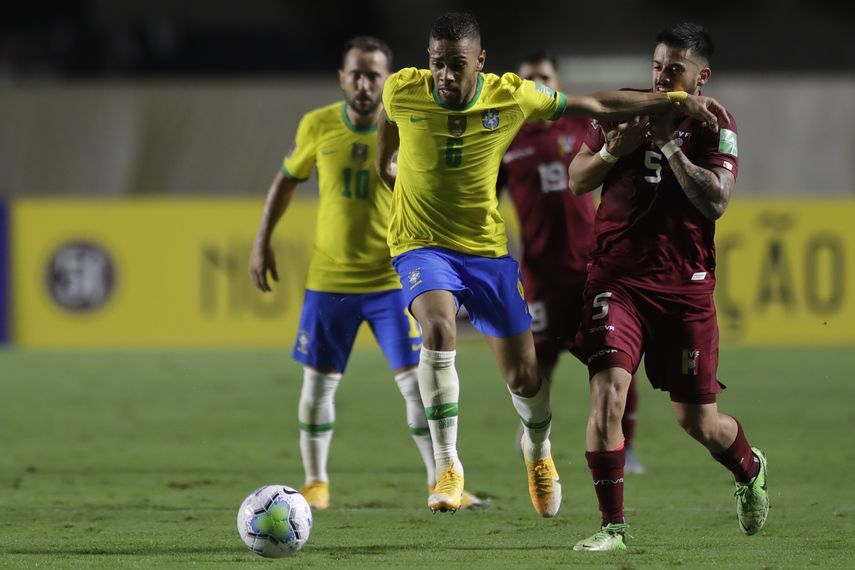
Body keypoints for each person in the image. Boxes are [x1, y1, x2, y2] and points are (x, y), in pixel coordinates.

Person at [375, 11, 726, 516]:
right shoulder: (403, 90)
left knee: (525, 378)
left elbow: (596, 103)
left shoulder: (511, 94)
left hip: (487, 253)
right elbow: (387, 139)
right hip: (419, 246)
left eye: (456, 65)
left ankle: (537, 450)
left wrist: (674, 99)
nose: (445, 77)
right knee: (438, 331)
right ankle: (448, 466)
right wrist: (389, 169)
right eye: (436, 65)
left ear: (481, 61)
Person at [249, 35, 483, 511]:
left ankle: (441, 481)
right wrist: (261, 243)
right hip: (329, 283)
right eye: (355, 73)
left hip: (391, 282)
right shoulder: (317, 125)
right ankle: (316, 484)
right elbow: (285, 181)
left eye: (373, 74)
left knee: (417, 388)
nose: (363, 83)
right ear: (342, 78)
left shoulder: (410, 123)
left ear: (387, 80)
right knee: (316, 385)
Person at [567, 22, 768, 551]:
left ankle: (748, 467)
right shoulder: (625, 107)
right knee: (608, 393)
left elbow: (716, 201)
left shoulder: (715, 126)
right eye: (656, 66)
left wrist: (670, 150)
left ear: (702, 76)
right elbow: (578, 178)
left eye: (674, 69)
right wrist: (615, 151)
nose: (661, 77)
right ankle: (613, 528)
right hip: (617, 278)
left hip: (684, 288)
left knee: (698, 421)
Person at [499, 51, 645, 475]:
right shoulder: (508, 140)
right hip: (540, 273)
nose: (538, 85)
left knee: (614, 358)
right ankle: (534, 435)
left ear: (558, 85)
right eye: (530, 80)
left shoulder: (583, 127)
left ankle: (626, 447)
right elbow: (484, 196)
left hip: (592, 269)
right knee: (534, 366)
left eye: (545, 77)